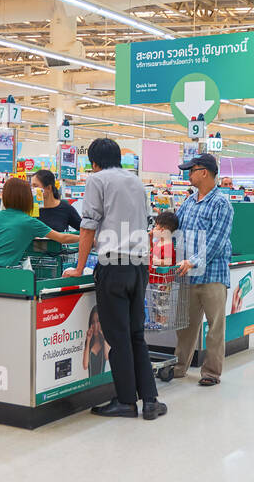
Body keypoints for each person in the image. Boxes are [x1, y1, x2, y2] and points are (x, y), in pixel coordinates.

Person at [62, 138, 166, 420]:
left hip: (113, 266)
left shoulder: (97, 180)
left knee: (117, 338)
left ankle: (125, 402)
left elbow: (88, 227)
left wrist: (79, 266)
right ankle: (151, 400)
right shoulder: (136, 182)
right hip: (138, 266)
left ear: (93, 162)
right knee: (136, 336)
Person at [172, 152, 234, 387]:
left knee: (215, 327)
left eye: (191, 170)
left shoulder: (222, 204)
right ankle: (179, 367)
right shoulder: (189, 201)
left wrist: (193, 260)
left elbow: (216, 242)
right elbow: (176, 227)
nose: (188, 174)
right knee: (186, 326)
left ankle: (211, 373)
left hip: (212, 275)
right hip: (188, 274)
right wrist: (160, 232)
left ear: (204, 172)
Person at [0, 177, 77, 267]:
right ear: (27, 198)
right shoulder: (30, 222)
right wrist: (85, 238)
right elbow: (62, 238)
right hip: (5, 274)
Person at [31, 168, 82, 233]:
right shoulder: (30, 209)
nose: (32, 190)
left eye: (35, 186)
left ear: (49, 188)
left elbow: (82, 229)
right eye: (31, 186)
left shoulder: (65, 208)